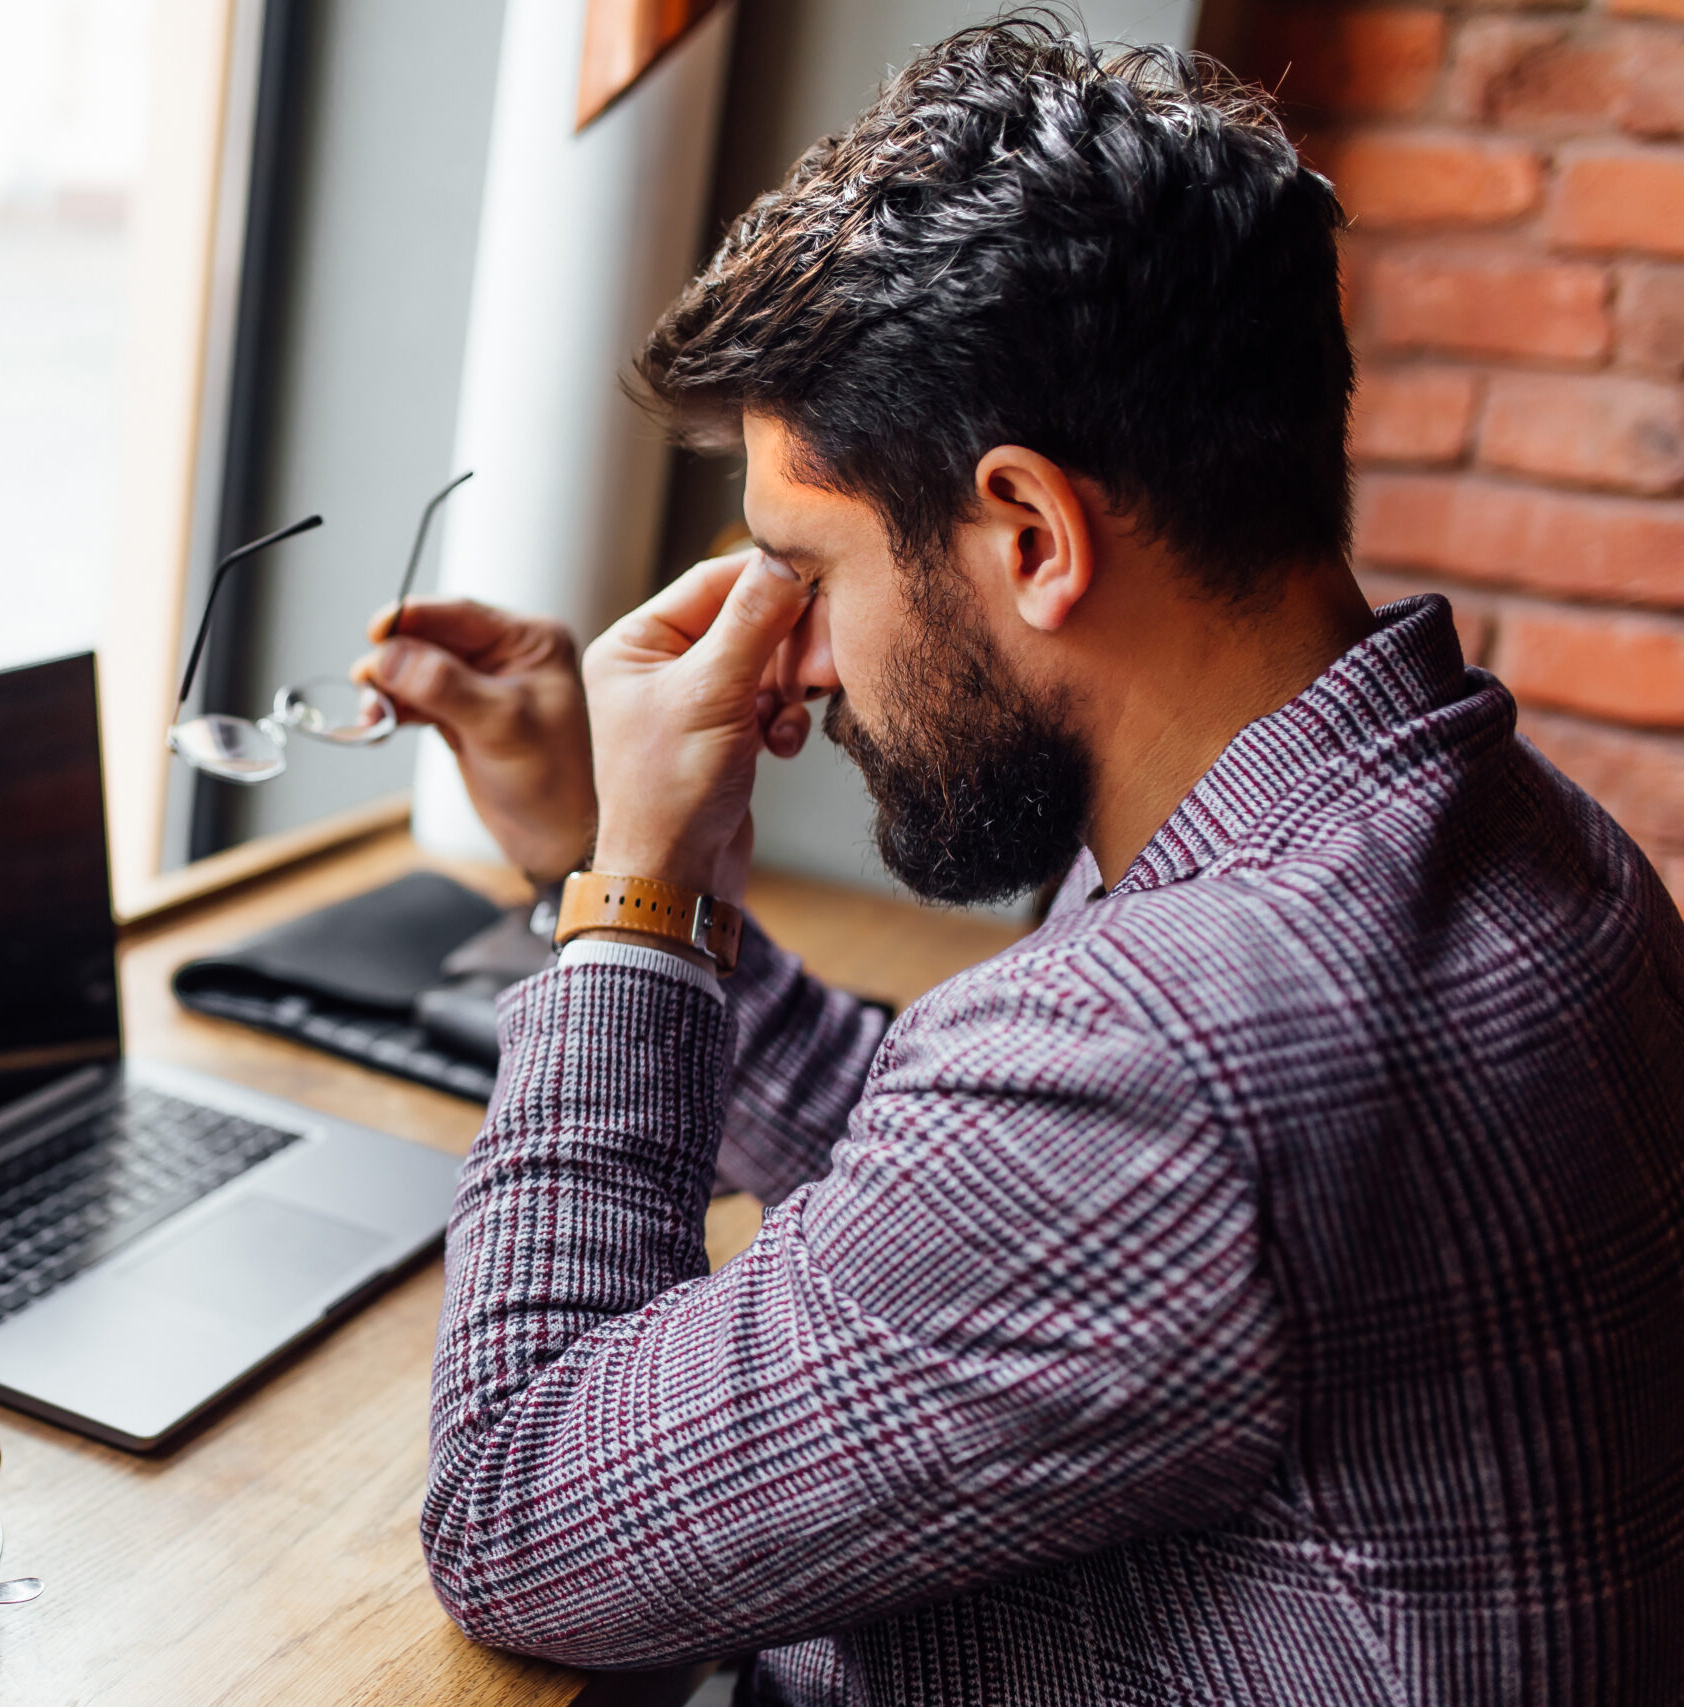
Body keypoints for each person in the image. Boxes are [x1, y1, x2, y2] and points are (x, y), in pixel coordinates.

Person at [350, 18, 1684, 1705]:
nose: (799, 664)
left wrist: (639, 901)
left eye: (804, 573)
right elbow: (956, 1197)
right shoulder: (1512, 836)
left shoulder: (1174, 1064)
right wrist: (591, 852)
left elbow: (522, 1516)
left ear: (1035, 536)